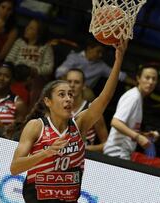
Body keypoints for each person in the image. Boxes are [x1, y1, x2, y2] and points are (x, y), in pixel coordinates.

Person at [10, 39, 128, 202]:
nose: (68, 99)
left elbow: (105, 98)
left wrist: (119, 59)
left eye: (70, 95)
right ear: (48, 102)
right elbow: (15, 167)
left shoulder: (80, 124)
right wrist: (46, 152)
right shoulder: (36, 126)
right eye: (62, 94)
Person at [103, 65, 160, 160]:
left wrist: (144, 135)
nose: (150, 82)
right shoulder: (133, 97)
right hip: (116, 153)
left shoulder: (138, 97)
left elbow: (127, 128)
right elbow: (115, 122)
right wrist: (138, 137)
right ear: (138, 78)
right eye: (147, 77)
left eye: (154, 79)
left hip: (121, 153)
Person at [55, 38, 136, 101]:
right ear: (89, 48)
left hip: (84, 91)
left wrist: (137, 83)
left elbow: (119, 75)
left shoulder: (101, 66)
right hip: (67, 85)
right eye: (98, 51)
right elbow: (59, 72)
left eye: (102, 53)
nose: (100, 55)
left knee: (89, 95)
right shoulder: (74, 57)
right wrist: (69, 85)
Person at [5, 18, 54, 108]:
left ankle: (29, 112)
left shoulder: (46, 47)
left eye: (31, 28)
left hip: (33, 76)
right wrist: (15, 69)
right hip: (17, 72)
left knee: (36, 86)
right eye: (27, 26)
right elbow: (9, 59)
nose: (27, 29)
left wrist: (34, 70)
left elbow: (49, 67)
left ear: (38, 33)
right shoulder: (20, 42)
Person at [66, 68, 108, 152]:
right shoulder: (57, 107)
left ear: (84, 85)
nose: (72, 85)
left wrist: (85, 148)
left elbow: (107, 144)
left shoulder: (92, 110)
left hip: (85, 159)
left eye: (76, 82)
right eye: (69, 81)